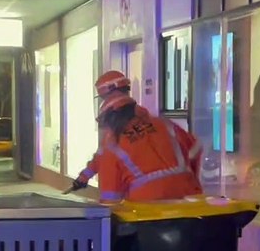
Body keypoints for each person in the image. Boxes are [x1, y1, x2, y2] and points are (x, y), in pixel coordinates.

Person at [67, 70, 203, 202]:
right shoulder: (163, 124)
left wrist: (111, 216)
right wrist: (188, 175)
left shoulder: (113, 143)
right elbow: (195, 148)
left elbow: (110, 197)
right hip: (188, 196)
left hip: (147, 205)